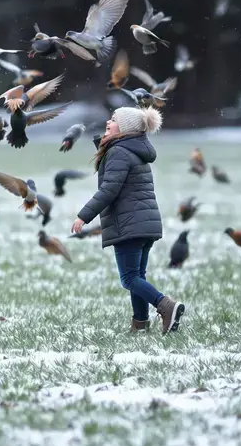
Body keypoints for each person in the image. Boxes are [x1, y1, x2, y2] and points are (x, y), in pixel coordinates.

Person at [71, 106, 185, 334]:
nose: (108, 122)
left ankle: (166, 305)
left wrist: (84, 216)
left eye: (114, 120)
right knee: (137, 276)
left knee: (129, 278)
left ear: (125, 128)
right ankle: (140, 324)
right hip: (145, 223)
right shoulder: (133, 150)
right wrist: (104, 146)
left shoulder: (119, 152)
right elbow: (114, 173)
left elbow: (109, 189)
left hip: (130, 224)